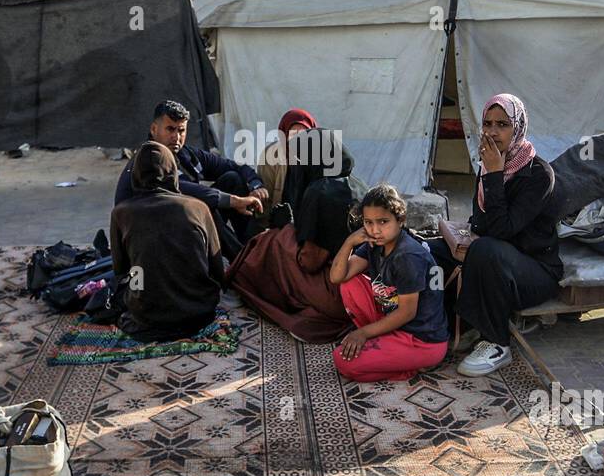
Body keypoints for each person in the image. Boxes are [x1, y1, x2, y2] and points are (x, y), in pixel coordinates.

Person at [427, 94, 562, 377]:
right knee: (431, 249)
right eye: (487, 123)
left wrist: (494, 176)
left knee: (486, 250)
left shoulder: (538, 174)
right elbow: (480, 222)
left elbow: (502, 230)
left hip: (533, 272)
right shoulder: (490, 163)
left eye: (502, 124)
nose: (491, 132)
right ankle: (449, 325)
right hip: (498, 258)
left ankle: (497, 342)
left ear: (518, 128)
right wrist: (491, 173)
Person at [227, 126, 366, 343]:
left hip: (337, 294)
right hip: (364, 292)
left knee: (270, 242)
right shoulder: (358, 185)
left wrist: (287, 228)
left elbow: (310, 262)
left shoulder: (320, 191)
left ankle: (252, 290)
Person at [114, 100, 268, 259]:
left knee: (232, 179)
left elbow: (234, 167)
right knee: (203, 207)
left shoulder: (186, 155)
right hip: (152, 234)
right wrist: (233, 200)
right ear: (154, 129)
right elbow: (180, 189)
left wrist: (255, 184)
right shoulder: (147, 159)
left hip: (181, 223)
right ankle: (243, 261)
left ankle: (253, 247)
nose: (176, 137)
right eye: (170, 129)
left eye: (181, 130)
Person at [328, 185, 448, 382]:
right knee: (349, 284)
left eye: (383, 222)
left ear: (399, 220)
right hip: (397, 321)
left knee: (343, 361)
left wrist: (363, 333)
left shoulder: (407, 256)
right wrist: (349, 241)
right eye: (368, 222)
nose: (375, 230)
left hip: (422, 340)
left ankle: (413, 367)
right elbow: (337, 277)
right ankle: (383, 340)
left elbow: (407, 312)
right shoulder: (375, 245)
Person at [108, 142, 225, 342]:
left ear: (135, 173)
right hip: (200, 313)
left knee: (120, 289)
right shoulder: (198, 207)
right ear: (173, 171)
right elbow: (217, 270)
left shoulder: (122, 213)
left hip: (146, 317)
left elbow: (121, 271)